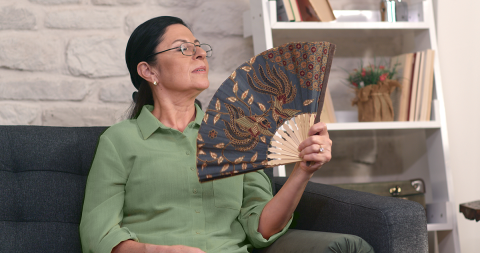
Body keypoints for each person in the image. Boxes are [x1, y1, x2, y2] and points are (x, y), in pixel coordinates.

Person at [79, 16, 373, 253]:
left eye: (199, 46)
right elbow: (99, 234)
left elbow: (262, 230)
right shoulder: (119, 141)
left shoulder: (238, 135)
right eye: (184, 48)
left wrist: (303, 172)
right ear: (148, 70)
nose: (200, 53)